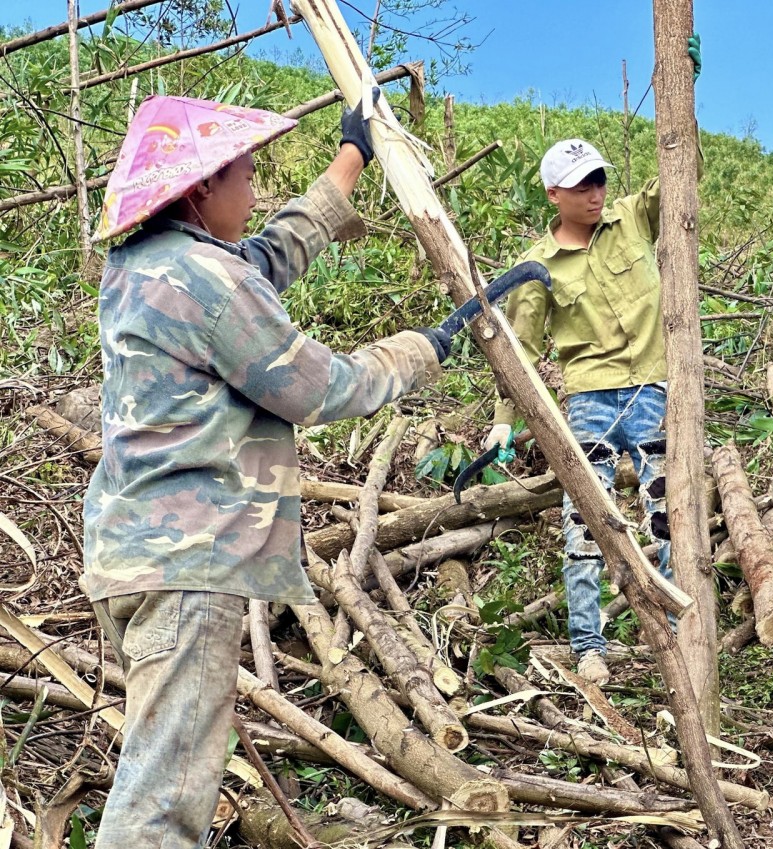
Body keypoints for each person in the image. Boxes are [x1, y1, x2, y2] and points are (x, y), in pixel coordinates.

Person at [83, 93, 451, 849]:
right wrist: (421, 350)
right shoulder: (204, 280)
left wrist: (350, 159)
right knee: (161, 806)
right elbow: (316, 387)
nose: (254, 187)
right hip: (187, 568)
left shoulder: (143, 265)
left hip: (135, 558)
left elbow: (266, 257)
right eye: (244, 173)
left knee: (160, 769)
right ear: (200, 188)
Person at [482, 37, 701, 686]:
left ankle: (685, 636)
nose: (596, 192)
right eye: (581, 185)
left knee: (670, 512)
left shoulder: (634, 218)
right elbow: (516, 349)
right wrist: (503, 418)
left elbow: (682, 178)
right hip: (590, 400)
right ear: (555, 192)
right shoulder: (538, 266)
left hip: (656, 389)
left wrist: (685, 92)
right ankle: (589, 645)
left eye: (600, 179)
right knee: (588, 523)